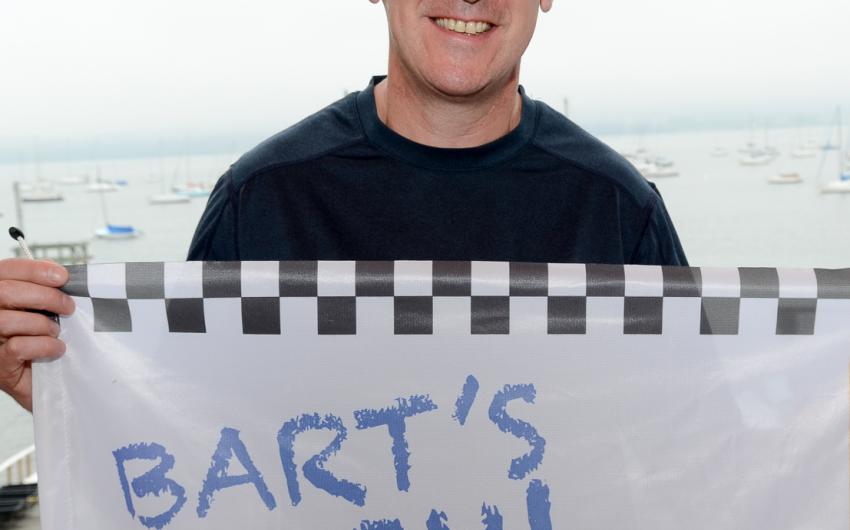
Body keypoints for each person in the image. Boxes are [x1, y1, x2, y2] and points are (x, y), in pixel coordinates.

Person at [0, 0, 687, 411]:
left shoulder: (622, 212)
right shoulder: (261, 200)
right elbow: (189, 432)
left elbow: (690, 443)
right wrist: (64, 397)